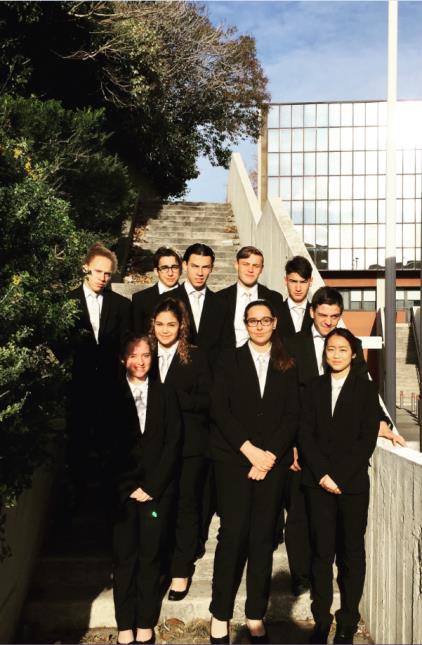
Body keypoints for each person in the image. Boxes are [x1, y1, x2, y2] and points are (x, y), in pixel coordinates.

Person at [209, 300, 299, 644]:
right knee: (232, 536)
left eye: (265, 320)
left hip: (271, 465)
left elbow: (292, 414)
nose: (259, 326)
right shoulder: (228, 359)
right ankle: (220, 613)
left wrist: (270, 455)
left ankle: (255, 613)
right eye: (252, 321)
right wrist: (249, 451)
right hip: (234, 460)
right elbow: (219, 408)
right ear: (244, 325)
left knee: (262, 538)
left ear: (274, 323)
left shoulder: (287, 362)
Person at [299, 328, 380, 644]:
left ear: (353, 354)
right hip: (317, 484)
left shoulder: (365, 390)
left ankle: (348, 620)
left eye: (342, 349)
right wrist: (322, 474)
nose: (335, 354)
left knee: (351, 553)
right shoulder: (313, 387)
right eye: (331, 349)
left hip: (352, 486)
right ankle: (321, 618)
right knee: (321, 553)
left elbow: (366, 439)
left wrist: (340, 477)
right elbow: (304, 433)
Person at [111, 335, 181, 645]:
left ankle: (144, 623)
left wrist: (152, 486)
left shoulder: (166, 394)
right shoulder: (110, 395)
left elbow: (172, 443)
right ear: (123, 359)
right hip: (122, 494)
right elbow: (104, 446)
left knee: (151, 559)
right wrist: (128, 487)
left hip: (156, 493)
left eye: (147, 356)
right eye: (134, 355)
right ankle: (125, 624)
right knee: (125, 560)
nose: (141, 361)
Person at [148, 297, 212, 600]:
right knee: (158, 509)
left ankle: (180, 570)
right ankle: (159, 563)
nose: (164, 330)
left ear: (181, 326)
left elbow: (208, 401)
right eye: (159, 324)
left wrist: (176, 399)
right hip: (154, 448)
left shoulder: (196, 358)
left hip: (189, 446)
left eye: (171, 324)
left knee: (186, 506)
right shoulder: (142, 354)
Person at [66, 243, 132, 502]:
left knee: (109, 446)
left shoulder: (122, 305)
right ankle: (77, 497)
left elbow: (126, 346)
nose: (103, 278)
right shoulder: (68, 303)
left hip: (110, 389)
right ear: (86, 268)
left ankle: (107, 499)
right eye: (98, 272)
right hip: (78, 388)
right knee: (78, 445)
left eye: (108, 274)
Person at [217, 246, 284, 348]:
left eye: (256, 266)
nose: (250, 270)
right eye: (246, 264)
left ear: (261, 269)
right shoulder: (219, 298)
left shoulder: (274, 298)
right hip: (229, 360)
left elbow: (278, 335)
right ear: (236, 265)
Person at [172, 243, 225, 365]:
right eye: (195, 266)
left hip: (211, 375)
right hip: (177, 370)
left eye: (205, 267)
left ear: (211, 268)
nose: (200, 273)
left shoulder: (221, 303)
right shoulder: (169, 299)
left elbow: (226, 346)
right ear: (185, 266)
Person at [132, 247, 182, 335]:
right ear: (156, 271)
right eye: (164, 268)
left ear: (180, 269)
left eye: (174, 267)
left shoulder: (190, 297)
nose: (170, 273)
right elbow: (137, 337)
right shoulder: (140, 299)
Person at [277, 255, 313, 338]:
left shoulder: (318, 314)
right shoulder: (274, 312)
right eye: (293, 281)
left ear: (311, 282)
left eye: (303, 282)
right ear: (286, 281)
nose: (298, 288)